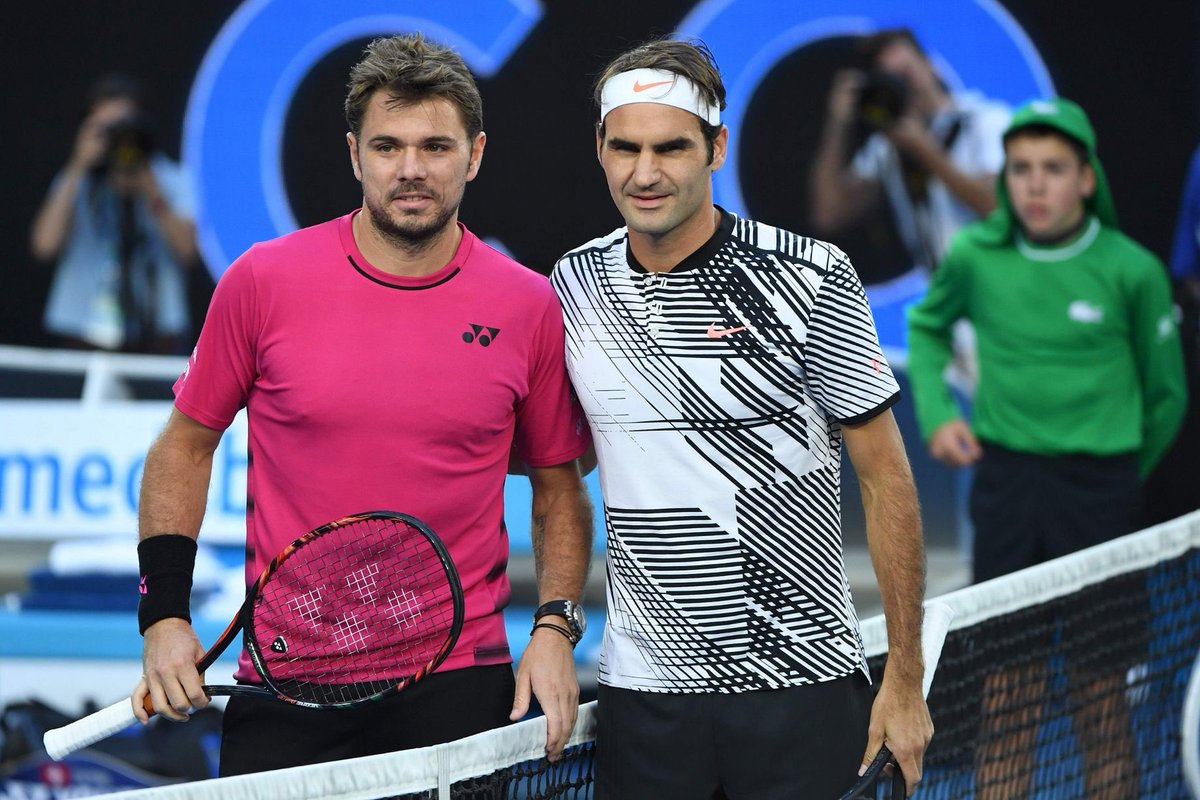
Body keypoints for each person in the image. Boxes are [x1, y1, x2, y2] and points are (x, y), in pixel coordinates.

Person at [130, 33, 593, 776]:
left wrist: (555, 629)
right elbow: (183, 446)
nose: (411, 170)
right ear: (355, 156)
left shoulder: (529, 305)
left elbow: (558, 490)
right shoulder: (261, 282)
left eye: (436, 147)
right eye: (388, 146)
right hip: (288, 683)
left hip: (459, 685)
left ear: (474, 155)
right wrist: (164, 616)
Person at [550, 38, 932, 798]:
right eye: (624, 146)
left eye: (671, 148)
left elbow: (886, 480)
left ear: (716, 147)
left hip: (803, 686)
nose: (645, 173)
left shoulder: (811, 275)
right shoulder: (574, 284)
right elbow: (564, 467)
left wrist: (906, 680)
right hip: (642, 697)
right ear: (600, 148)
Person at [906, 98, 1188, 799]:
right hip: (1008, 494)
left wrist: (1116, 473)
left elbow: (1167, 399)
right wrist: (939, 414)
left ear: (1087, 179)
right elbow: (928, 327)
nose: (1035, 184)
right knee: (1006, 698)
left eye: (1053, 169)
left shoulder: (1134, 271)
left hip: (1103, 502)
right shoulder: (974, 255)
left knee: (1101, 702)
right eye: (1021, 168)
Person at [809, 28, 1010, 284]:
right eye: (892, 79)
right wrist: (838, 123)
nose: (905, 87)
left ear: (931, 66)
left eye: (906, 73)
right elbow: (830, 213)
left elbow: (998, 206)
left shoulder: (985, 122)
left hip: (999, 290)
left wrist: (924, 150)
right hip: (947, 305)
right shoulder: (889, 147)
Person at [31, 74, 198, 355]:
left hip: (157, 336)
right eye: (106, 129)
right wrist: (77, 166)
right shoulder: (77, 180)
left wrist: (150, 189)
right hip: (83, 334)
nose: (116, 138)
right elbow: (44, 245)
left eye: (123, 126)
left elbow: (187, 252)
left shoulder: (169, 179)